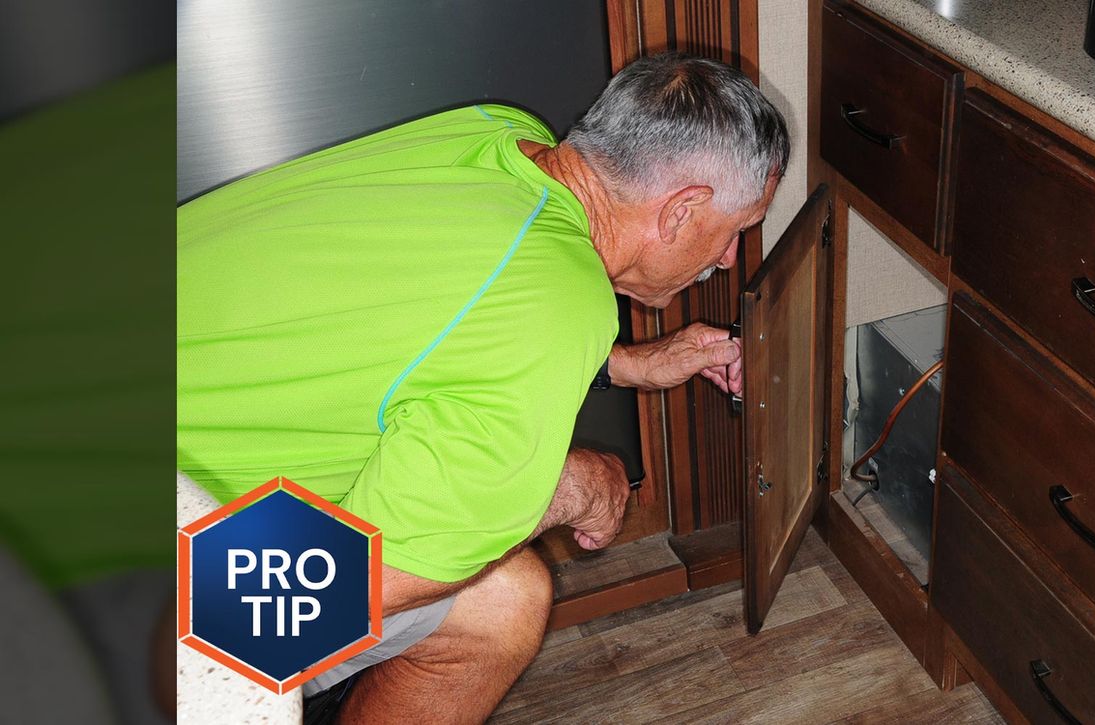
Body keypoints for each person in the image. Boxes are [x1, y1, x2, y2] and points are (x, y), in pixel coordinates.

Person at [177, 52, 789, 722]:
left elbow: (443, 316)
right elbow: (359, 580)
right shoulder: (555, 307)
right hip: (129, 580)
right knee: (504, 602)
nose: (728, 258)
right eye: (735, 232)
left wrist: (627, 363)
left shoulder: (498, 136)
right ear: (681, 211)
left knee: (499, 586)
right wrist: (566, 486)